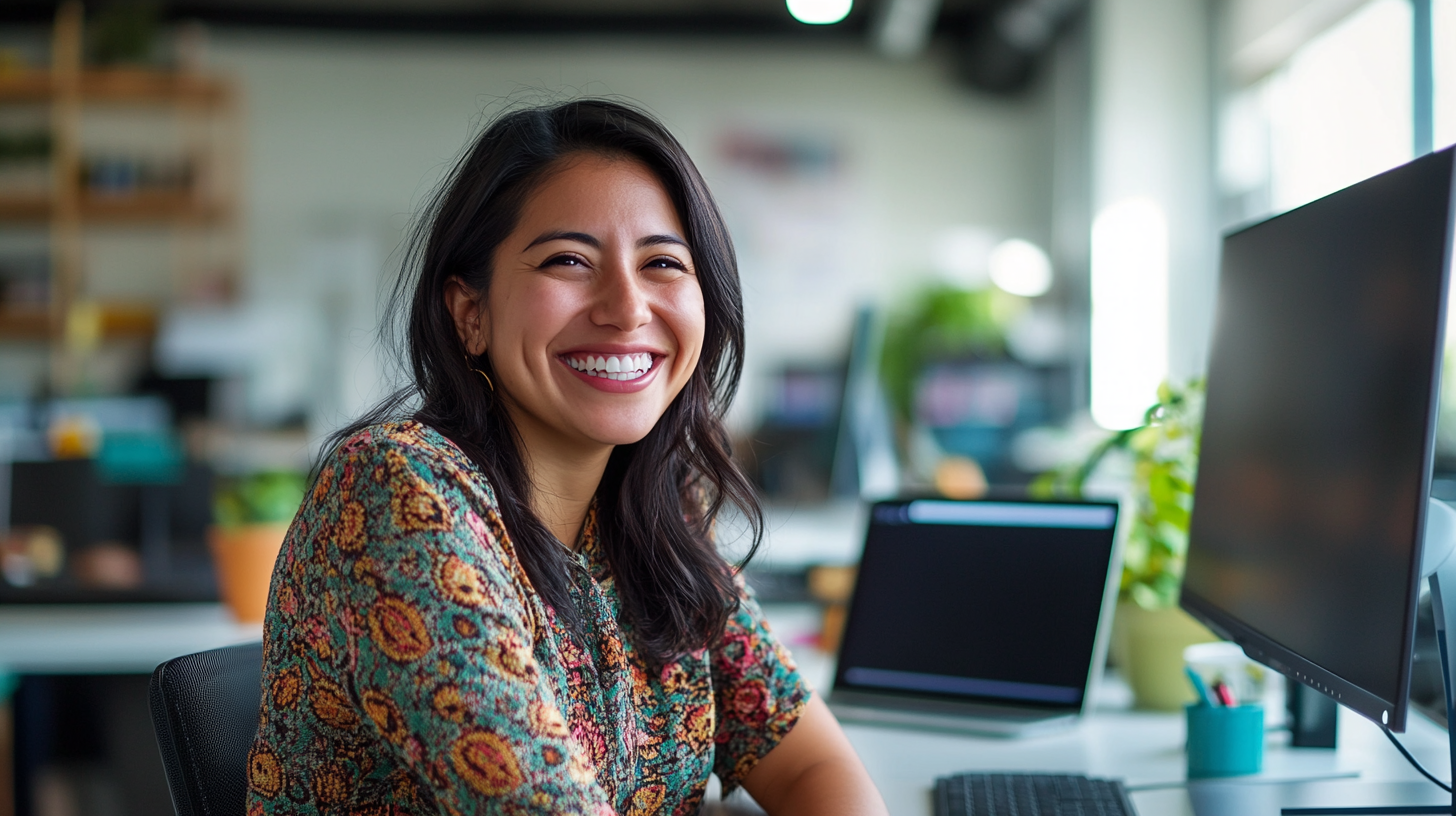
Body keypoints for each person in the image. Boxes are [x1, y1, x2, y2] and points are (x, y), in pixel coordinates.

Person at [246, 99, 888, 816]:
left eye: (663, 263)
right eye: (569, 261)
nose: (627, 306)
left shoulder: (655, 512)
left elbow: (810, 766)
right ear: (470, 313)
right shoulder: (400, 489)